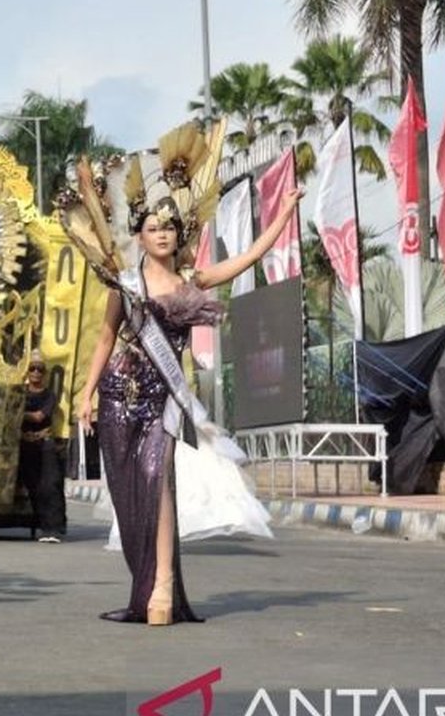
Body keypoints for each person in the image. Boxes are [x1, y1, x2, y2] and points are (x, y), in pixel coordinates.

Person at [73, 141, 302, 627]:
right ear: (139, 234)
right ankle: (146, 585)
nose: (161, 234)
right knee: (129, 494)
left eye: (169, 227)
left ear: (181, 235)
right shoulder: (125, 284)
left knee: (160, 486)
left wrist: (280, 216)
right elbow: (105, 338)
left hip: (163, 402)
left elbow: (246, 259)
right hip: (118, 395)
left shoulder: (192, 281)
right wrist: (86, 392)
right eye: (153, 227)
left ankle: (162, 592)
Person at [19, 355, 66, 543]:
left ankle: (53, 528)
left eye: (40, 369)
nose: (36, 372)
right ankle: (40, 524)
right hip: (24, 443)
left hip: (44, 442)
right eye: (32, 368)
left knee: (50, 484)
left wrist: (18, 413)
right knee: (33, 486)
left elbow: (39, 417)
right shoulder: (20, 392)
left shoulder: (49, 395)